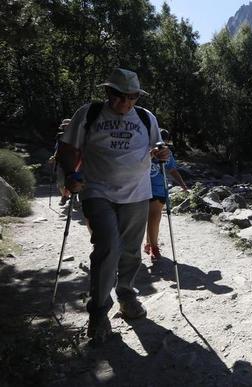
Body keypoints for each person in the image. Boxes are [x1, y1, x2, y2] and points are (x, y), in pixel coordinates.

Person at [57, 68, 168, 344]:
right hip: (96, 190)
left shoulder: (145, 117)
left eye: (131, 97)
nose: (125, 103)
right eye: (120, 97)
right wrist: (70, 176)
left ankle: (127, 296)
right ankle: (98, 313)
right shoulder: (89, 113)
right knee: (107, 246)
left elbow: (158, 146)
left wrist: (162, 152)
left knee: (130, 251)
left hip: (137, 193)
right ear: (108, 93)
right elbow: (67, 148)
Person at [145, 128, 187, 262]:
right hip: (143, 188)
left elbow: (172, 169)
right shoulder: (144, 151)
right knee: (152, 217)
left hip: (159, 189)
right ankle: (152, 245)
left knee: (154, 217)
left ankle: (151, 245)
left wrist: (182, 184)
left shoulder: (167, 154)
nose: (163, 144)